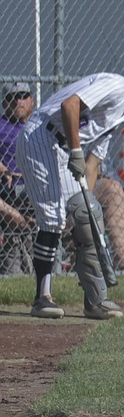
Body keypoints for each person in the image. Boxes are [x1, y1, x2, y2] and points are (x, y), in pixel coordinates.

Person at [16, 71, 124, 318]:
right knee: (53, 220)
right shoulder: (117, 86)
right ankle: (42, 298)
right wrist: (76, 151)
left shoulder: (123, 114)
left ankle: (94, 301)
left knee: (86, 216)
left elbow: (92, 165)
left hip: (61, 149)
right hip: (42, 137)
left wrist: (86, 211)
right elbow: (69, 105)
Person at [0, 83, 36, 276]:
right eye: (12, 97)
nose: (18, 101)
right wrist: (4, 169)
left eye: (23, 95)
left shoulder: (39, 125)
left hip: (36, 186)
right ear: (4, 103)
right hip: (9, 187)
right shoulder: (1, 124)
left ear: (32, 100)